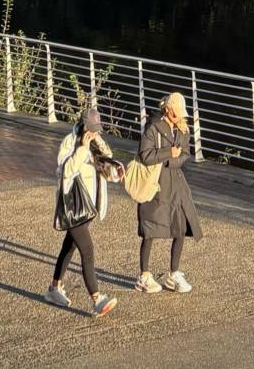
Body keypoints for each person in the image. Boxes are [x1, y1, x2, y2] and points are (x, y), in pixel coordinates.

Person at [47, 104, 120, 316]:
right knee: (87, 250)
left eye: (97, 130)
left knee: (69, 247)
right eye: (92, 129)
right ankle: (97, 299)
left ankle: (54, 288)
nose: (95, 133)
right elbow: (65, 172)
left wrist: (111, 165)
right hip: (74, 205)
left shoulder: (94, 142)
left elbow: (105, 161)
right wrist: (82, 149)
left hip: (89, 207)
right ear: (83, 126)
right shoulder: (69, 143)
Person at [133, 90, 203, 293]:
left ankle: (174, 273)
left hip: (176, 183)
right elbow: (145, 155)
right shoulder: (153, 127)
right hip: (155, 184)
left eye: (180, 113)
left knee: (180, 227)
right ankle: (144, 275)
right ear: (168, 109)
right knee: (150, 229)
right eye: (175, 113)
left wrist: (172, 160)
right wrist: (168, 154)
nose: (178, 117)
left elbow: (185, 153)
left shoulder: (183, 128)